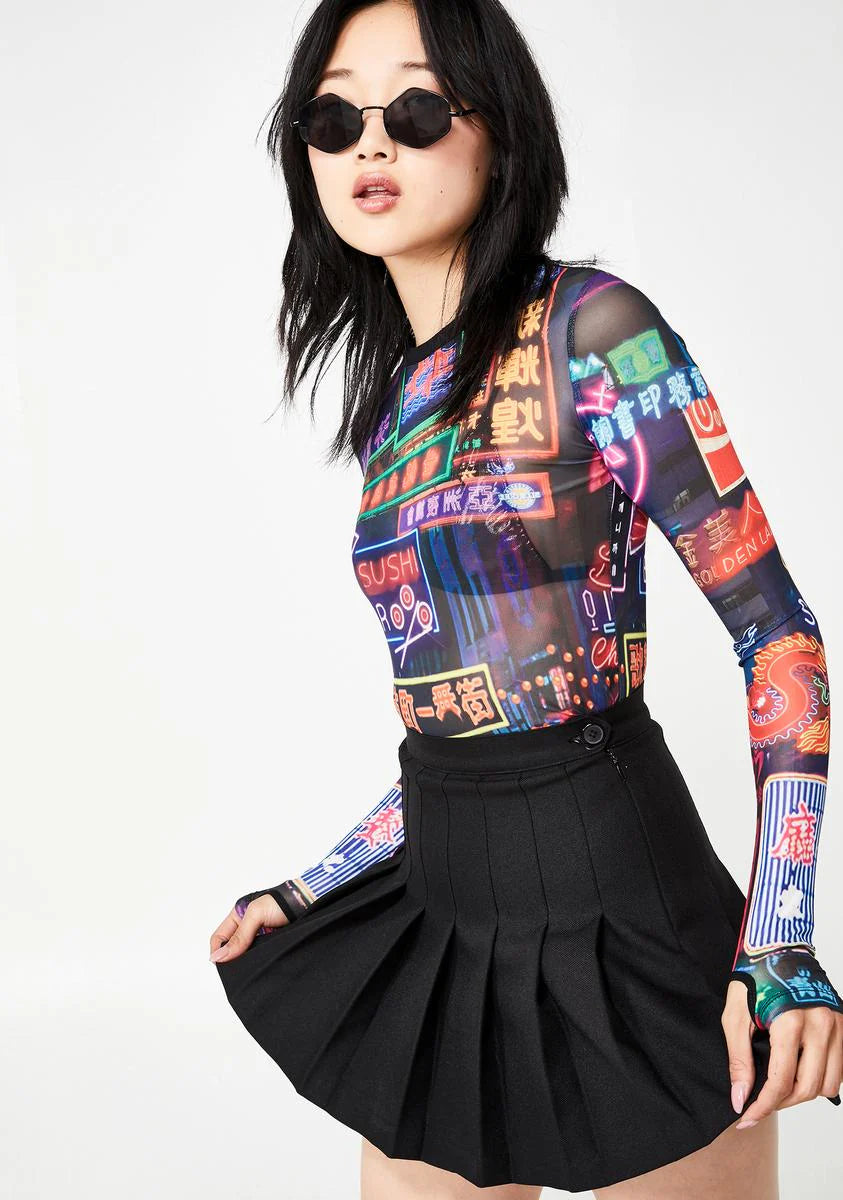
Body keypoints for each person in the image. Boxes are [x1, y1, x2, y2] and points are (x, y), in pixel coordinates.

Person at [209, 2, 843, 1196]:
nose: (370, 144)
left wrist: (781, 938)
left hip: (626, 911)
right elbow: (465, 722)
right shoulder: (399, 406)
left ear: (499, 129)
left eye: (414, 108)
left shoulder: (595, 329)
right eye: (333, 119)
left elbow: (781, 639)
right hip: (443, 909)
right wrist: (314, 885)